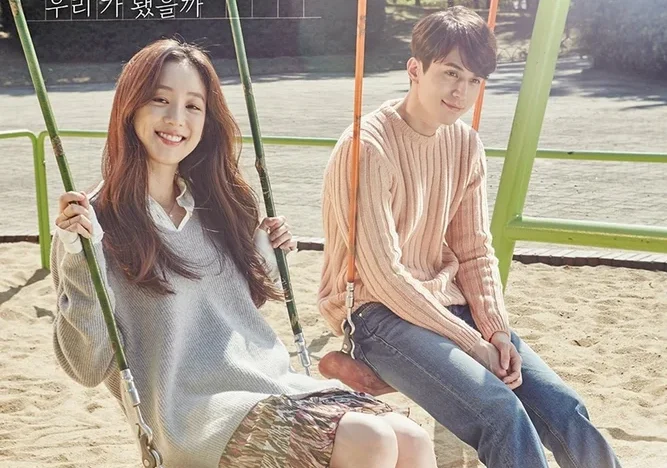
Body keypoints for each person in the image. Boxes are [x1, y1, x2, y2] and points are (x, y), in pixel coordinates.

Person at [51, 38, 438, 468]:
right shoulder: (94, 223)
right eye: (160, 99)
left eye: (193, 106)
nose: (176, 118)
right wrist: (79, 259)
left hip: (269, 384)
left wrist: (261, 259)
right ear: (130, 106)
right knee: (369, 440)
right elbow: (86, 367)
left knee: (411, 439)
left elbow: (232, 313)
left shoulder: (218, 205)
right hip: (194, 414)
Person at [318, 7, 621, 468]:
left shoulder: (464, 144)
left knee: (564, 407)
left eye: (475, 80)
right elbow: (381, 275)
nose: (461, 91)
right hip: (376, 311)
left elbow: (475, 251)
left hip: (447, 304)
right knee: (501, 414)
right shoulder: (367, 147)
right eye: (450, 73)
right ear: (415, 69)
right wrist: (469, 341)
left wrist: (495, 331)